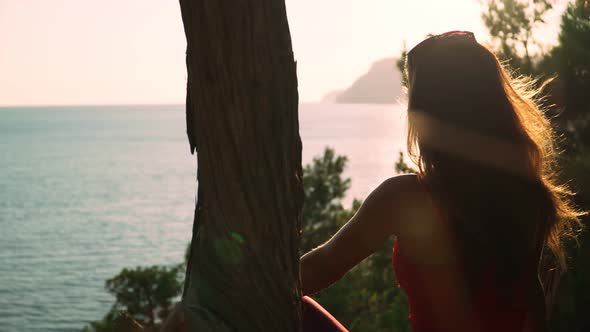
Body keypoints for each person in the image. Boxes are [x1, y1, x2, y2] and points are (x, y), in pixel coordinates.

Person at [162, 31, 584, 332]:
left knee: (296, 311)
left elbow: (321, 269)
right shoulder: (527, 196)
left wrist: (229, 297)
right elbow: (532, 310)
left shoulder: (408, 198)